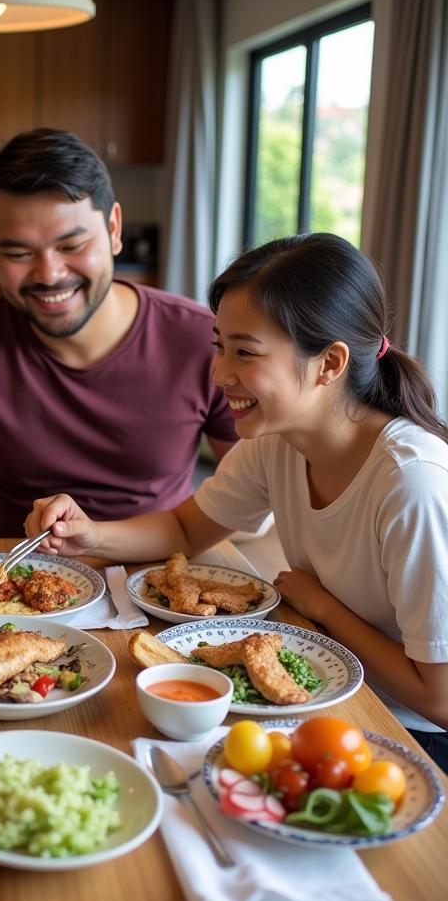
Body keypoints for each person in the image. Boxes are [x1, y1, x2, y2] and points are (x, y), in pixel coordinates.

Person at [25, 233, 448, 769]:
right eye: (219, 346)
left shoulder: (412, 482)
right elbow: (185, 530)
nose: (220, 374)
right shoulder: (276, 442)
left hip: (406, 736)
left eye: (245, 352)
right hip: (317, 699)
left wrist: (318, 607)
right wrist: (91, 533)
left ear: (330, 363)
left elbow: (439, 700)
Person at [0, 128, 238, 619]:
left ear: (114, 228)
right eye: (19, 253)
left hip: (159, 583)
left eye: (71, 244)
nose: (48, 274)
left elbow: (250, 484)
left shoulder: (200, 339)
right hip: (11, 582)